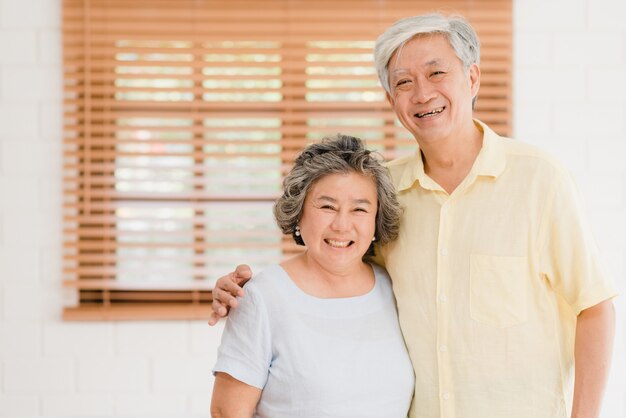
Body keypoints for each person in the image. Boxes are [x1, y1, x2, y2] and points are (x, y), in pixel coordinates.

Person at [210, 13, 617, 418]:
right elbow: (332, 262)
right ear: (392, 101)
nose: (422, 93)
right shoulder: (385, 190)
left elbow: (594, 307)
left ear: (472, 79)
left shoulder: (538, 179)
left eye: (436, 73)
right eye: (404, 82)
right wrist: (245, 293)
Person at [210, 134, 414, 418]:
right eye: (327, 206)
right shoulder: (262, 297)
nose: (342, 225)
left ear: (377, 219)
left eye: (359, 209)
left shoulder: (393, 286)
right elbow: (226, 412)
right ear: (299, 212)